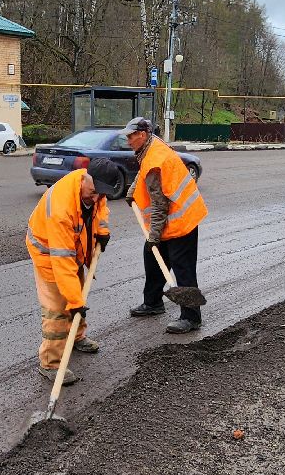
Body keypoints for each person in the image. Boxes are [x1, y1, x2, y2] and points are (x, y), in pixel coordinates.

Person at [25, 160, 117, 383]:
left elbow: (100, 207)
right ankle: (50, 363)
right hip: (50, 254)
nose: (95, 198)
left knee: (78, 294)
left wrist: (102, 230)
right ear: (84, 177)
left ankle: (76, 336)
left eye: (100, 194)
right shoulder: (61, 207)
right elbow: (62, 262)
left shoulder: (94, 189)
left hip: (73, 249)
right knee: (59, 308)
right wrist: (74, 303)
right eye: (93, 192)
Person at [122, 116, 207, 333]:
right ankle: (153, 303)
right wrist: (132, 191)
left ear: (142, 135)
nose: (128, 140)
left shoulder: (155, 160)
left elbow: (160, 206)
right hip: (169, 221)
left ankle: (191, 317)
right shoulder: (149, 147)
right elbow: (141, 174)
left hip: (182, 221)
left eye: (131, 136)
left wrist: (154, 236)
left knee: (183, 268)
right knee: (152, 258)